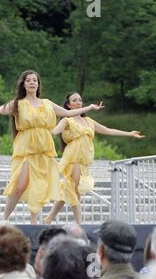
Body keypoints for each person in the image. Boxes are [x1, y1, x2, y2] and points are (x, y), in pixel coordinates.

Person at [0, 70, 104, 223]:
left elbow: (67, 112)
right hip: (26, 149)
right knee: (19, 186)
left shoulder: (47, 103)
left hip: (44, 150)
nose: (32, 82)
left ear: (38, 84)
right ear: (23, 84)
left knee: (38, 188)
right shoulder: (18, 103)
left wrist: (89, 108)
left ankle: (35, 223)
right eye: (28, 80)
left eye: (34, 80)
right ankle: (4, 218)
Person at [44, 92, 144, 224]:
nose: (78, 102)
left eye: (80, 99)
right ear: (68, 105)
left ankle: (49, 218)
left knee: (67, 190)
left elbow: (108, 130)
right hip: (73, 159)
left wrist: (129, 133)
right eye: (74, 100)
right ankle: (79, 224)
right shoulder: (66, 120)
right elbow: (55, 131)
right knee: (75, 190)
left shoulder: (88, 121)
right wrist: (42, 125)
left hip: (84, 161)